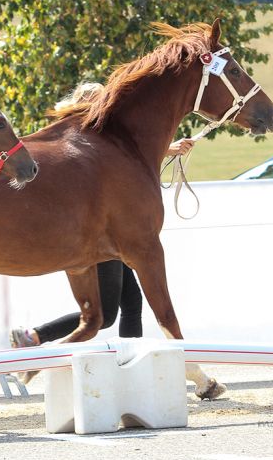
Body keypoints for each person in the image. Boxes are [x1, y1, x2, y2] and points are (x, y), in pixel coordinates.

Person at [10, 82, 195, 347]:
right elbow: (111, 154)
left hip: (112, 227)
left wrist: (171, 148)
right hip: (103, 233)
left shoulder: (83, 134)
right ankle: (35, 336)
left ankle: (129, 356)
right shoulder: (88, 132)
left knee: (132, 302)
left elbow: (118, 152)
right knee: (105, 316)